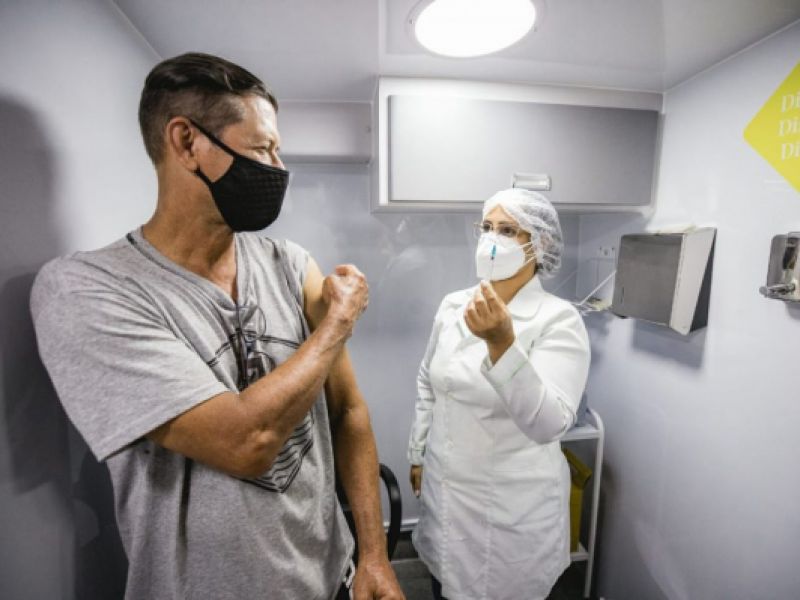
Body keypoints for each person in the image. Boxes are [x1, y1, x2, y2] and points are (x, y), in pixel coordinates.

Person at [30, 52, 404, 600]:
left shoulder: (289, 264)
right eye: (261, 149)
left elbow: (347, 410)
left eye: (277, 150)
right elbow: (245, 442)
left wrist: (372, 556)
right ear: (186, 143)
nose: (278, 168)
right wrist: (338, 323)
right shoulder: (88, 290)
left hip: (331, 580)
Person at [407, 188, 591, 600]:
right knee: (444, 587)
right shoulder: (454, 305)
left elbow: (549, 424)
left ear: (539, 243)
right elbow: (428, 381)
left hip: (512, 510)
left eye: (508, 230)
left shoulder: (558, 320)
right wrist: (418, 453)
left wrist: (502, 344)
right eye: (487, 227)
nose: (492, 239)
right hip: (446, 496)